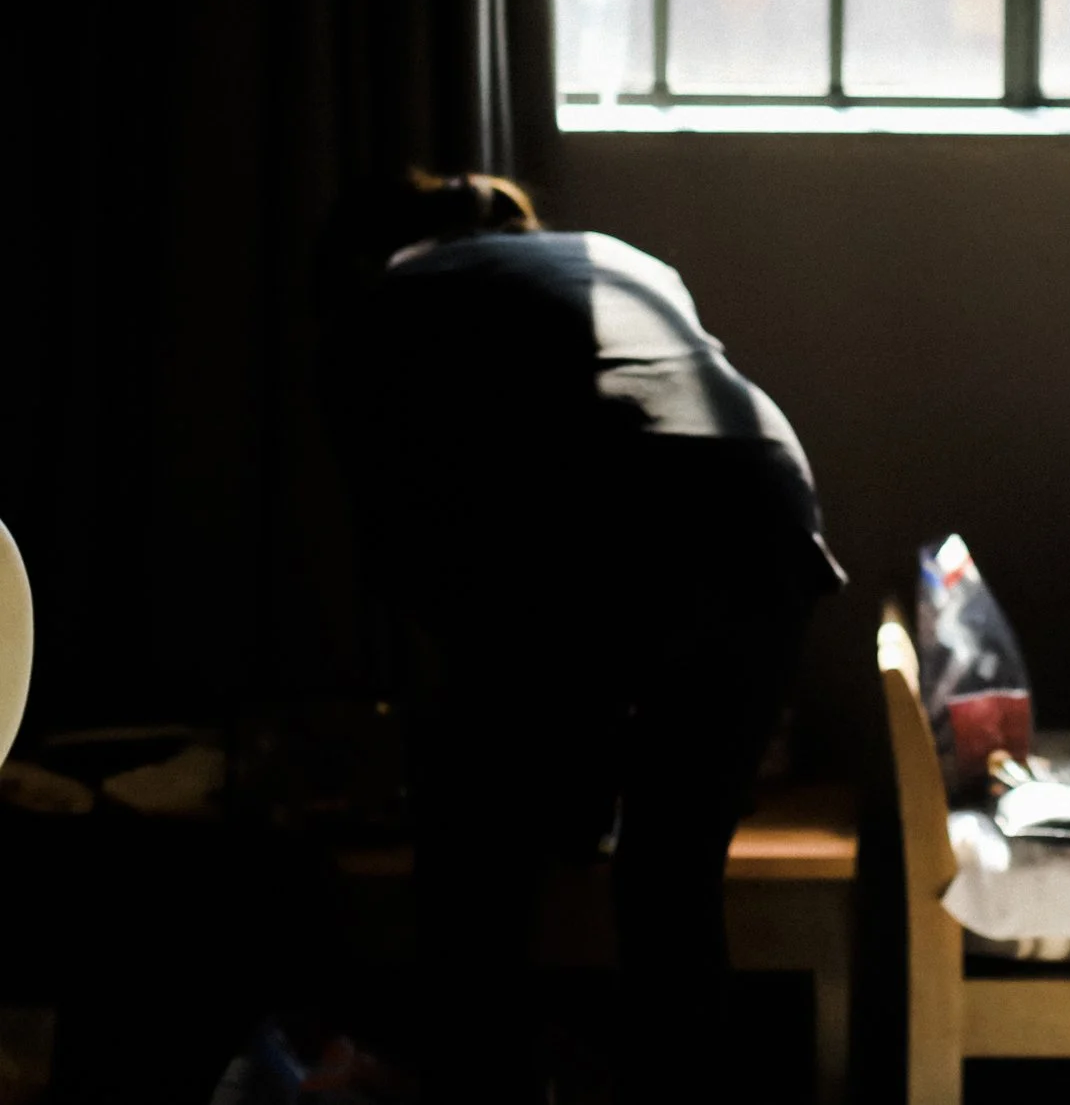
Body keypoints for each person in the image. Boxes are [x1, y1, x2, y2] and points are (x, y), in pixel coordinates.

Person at [322, 170, 841, 1105]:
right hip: (768, 504)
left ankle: (476, 1082)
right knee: (674, 877)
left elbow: (408, 536)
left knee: (476, 855)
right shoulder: (609, 256)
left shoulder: (396, 294)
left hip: (618, 506)